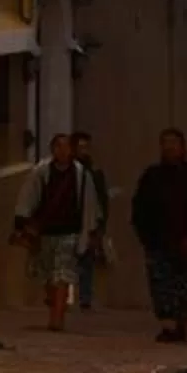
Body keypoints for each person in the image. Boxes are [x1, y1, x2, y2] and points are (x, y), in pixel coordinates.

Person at [12, 133, 105, 332]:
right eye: (58, 147)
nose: (63, 151)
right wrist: (23, 223)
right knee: (47, 275)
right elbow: (28, 197)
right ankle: (54, 304)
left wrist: (91, 231)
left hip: (70, 232)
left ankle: (57, 319)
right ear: (52, 149)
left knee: (62, 275)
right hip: (45, 232)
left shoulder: (81, 175)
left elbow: (89, 204)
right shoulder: (41, 172)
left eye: (66, 147)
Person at [131, 127, 187, 345]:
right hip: (157, 241)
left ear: (182, 147)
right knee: (160, 285)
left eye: (173, 143)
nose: (169, 147)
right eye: (165, 142)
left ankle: (180, 323)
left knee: (184, 286)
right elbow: (139, 208)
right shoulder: (151, 176)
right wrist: (145, 236)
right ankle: (167, 326)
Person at [72, 130, 110, 311]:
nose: (83, 151)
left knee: (87, 261)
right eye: (80, 147)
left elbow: (102, 200)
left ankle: (84, 298)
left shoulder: (94, 173)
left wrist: (100, 226)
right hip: (67, 222)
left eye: (86, 147)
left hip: (88, 222)